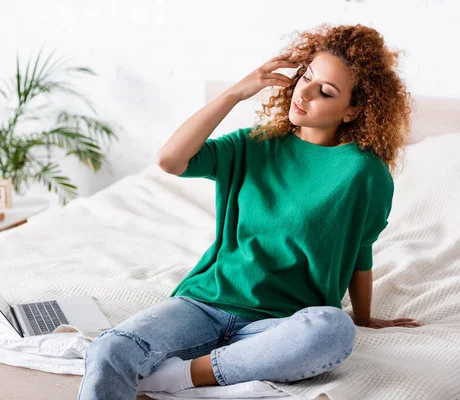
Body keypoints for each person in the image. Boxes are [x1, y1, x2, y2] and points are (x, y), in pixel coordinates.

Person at [77, 23, 422, 400]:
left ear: (354, 109)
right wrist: (236, 93)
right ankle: (210, 367)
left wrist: (363, 317)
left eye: (324, 91)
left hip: (279, 325)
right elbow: (170, 160)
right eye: (304, 76)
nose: (302, 92)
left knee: (333, 329)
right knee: (110, 349)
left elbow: (360, 247)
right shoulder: (254, 144)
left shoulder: (363, 172)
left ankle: (185, 375)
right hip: (203, 304)